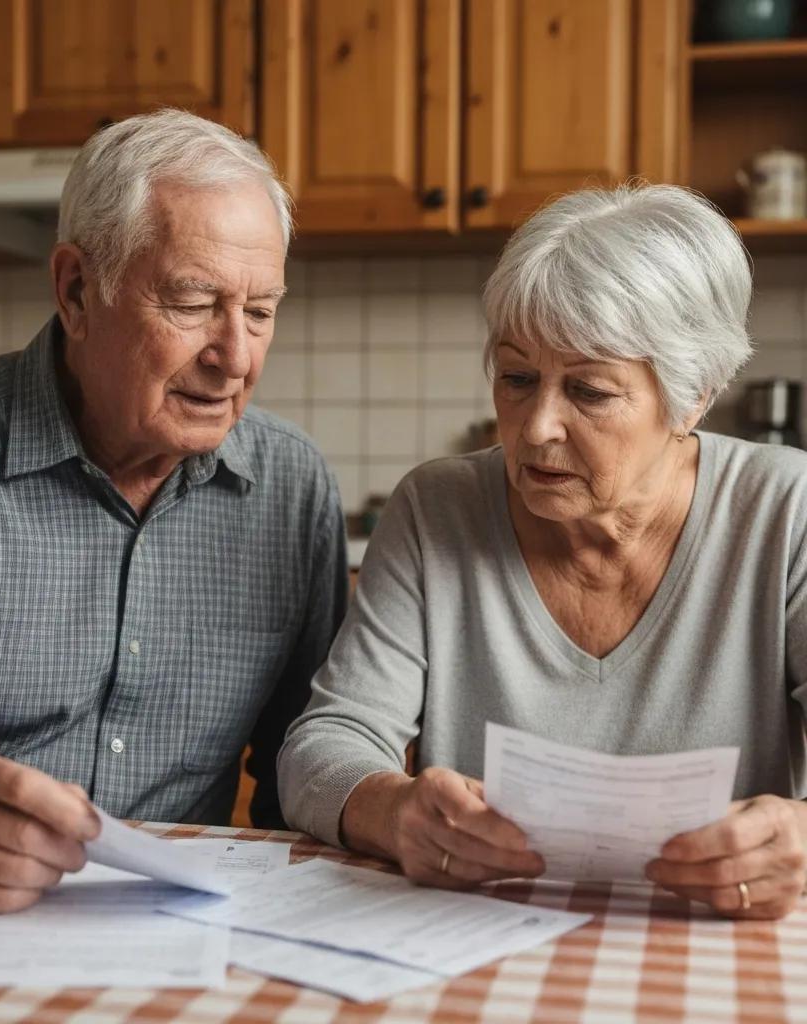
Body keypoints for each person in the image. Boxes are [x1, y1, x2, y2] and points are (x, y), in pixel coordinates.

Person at [0, 109, 346, 914]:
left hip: (187, 925)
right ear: (78, 290)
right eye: (193, 304)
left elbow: (304, 759)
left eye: (260, 311)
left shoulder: (292, 488)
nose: (237, 357)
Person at [278, 183, 807, 921]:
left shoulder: (787, 512)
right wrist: (394, 811)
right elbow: (324, 746)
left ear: (693, 397)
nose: (535, 430)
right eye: (517, 378)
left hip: (716, 937)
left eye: (590, 391)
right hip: (473, 935)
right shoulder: (436, 509)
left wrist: (799, 839)